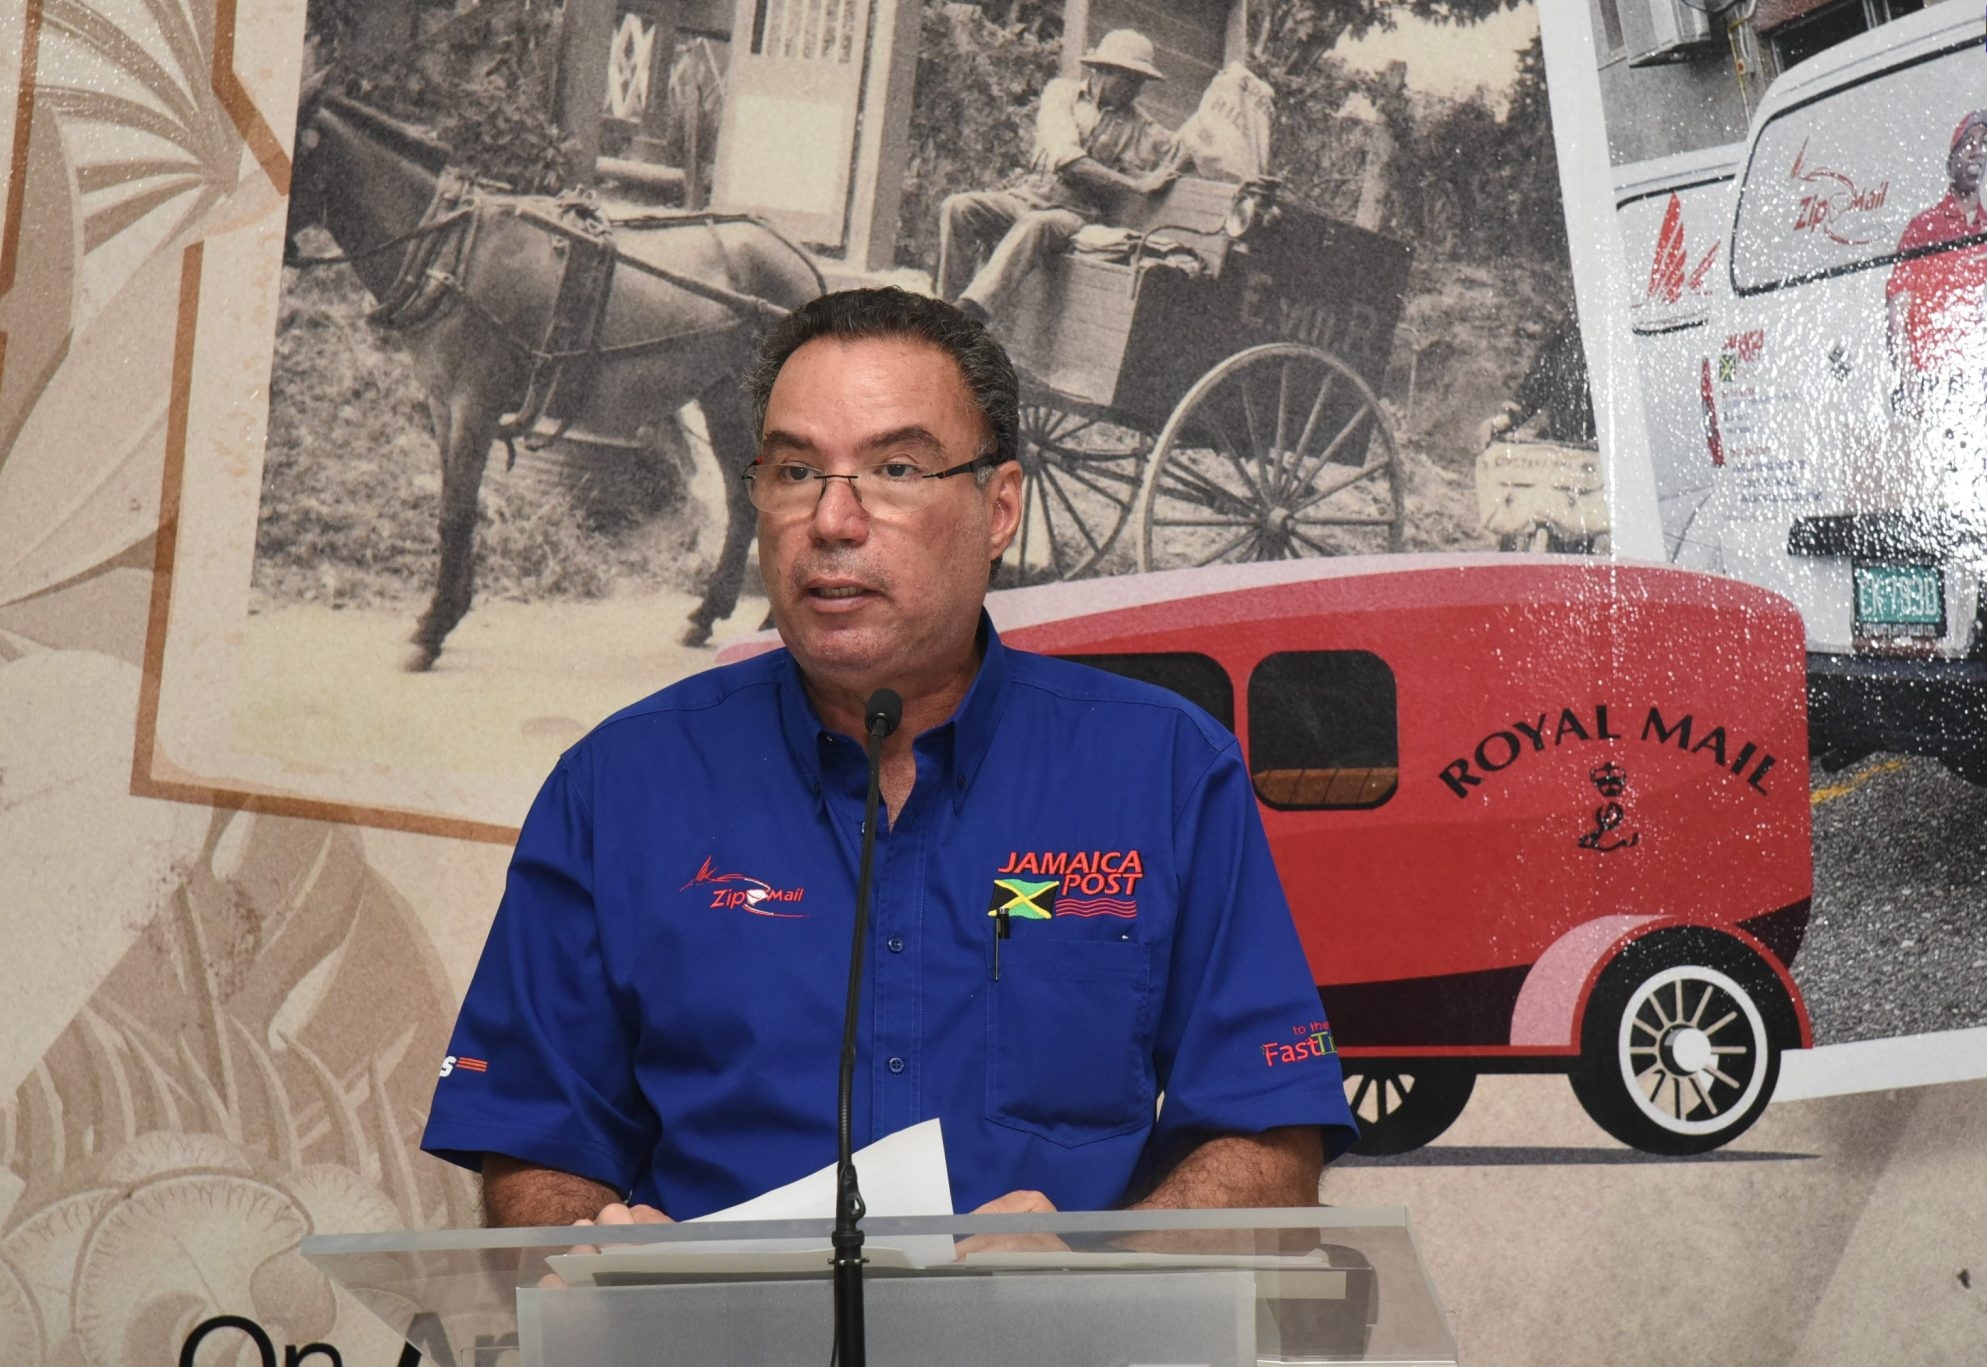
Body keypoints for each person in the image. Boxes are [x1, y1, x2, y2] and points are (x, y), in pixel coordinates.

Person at [420, 288, 1356, 1228]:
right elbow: (533, 1144)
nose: (832, 519)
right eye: (794, 470)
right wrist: (596, 1246)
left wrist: (1101, 1271)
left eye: (894, 467)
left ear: (999, 508)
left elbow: (1269, 1137)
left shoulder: (1165, 772)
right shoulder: (615, 789)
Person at [937, 30, 1182, 323]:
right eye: (1131, 79)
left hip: (1074, 215)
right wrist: (1136, 184)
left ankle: (970, 315)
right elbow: (1068, 161)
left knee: (1037, 224)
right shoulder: (1061, 94)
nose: (1137, 89)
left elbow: (1182, 151)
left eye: (1141, 81)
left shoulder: (1141, 125)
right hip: (1026, 197)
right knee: (959, 206)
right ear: (1103, 70)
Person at [1885, 109, 1987, 401]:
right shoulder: (1923, 228)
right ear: (1952, 160)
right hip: (1937, 385)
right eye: (1968, 143)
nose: (1977, 151)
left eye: (1984, 142)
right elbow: (1897, 313)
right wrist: (1909, 382)